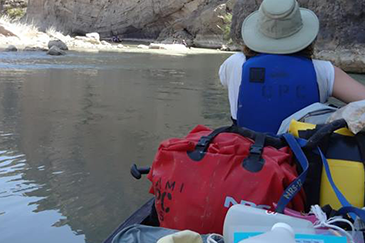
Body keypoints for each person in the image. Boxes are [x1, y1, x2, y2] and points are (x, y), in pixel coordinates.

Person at [219, 0, 365, 133]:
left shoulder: (235, 63)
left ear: (259, 31)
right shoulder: (324, 71)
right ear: (303, 34)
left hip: (250, 157)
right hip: (302, 158)